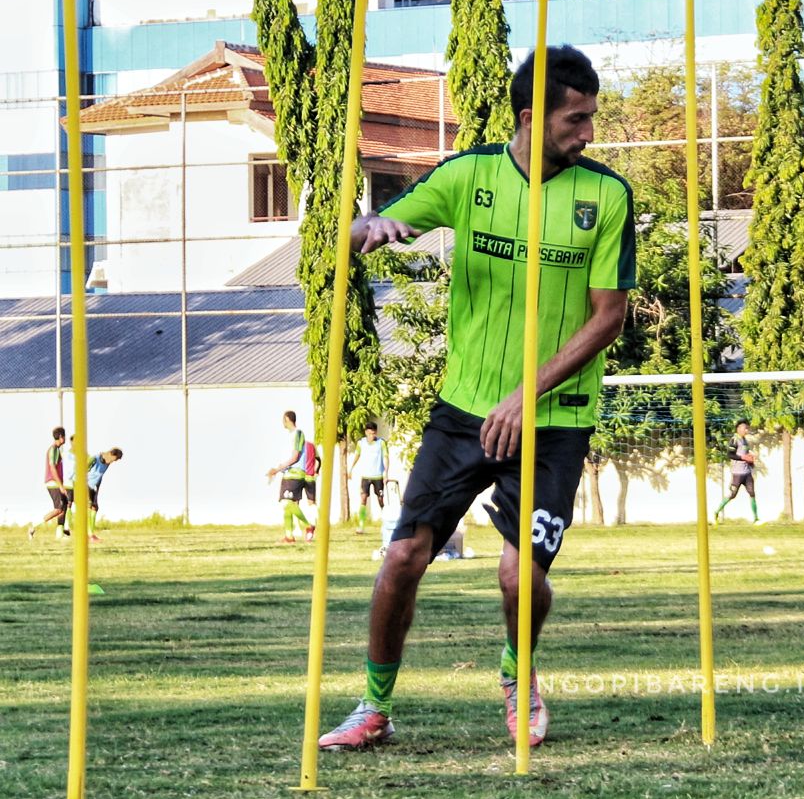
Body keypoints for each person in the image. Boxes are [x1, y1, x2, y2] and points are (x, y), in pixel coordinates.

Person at [320, 46, 634, 751]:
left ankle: (517, 675)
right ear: (531, 117)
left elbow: (607, 316)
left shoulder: (606, 195)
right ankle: (373, 708)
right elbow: (355, 232)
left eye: (591, 119)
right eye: (575, 120)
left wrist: (527, 393)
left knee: (518, 571)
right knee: (401, 558)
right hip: (463, 412)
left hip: (553, 418)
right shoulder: (469, 176)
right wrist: (365, 229)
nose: (588, 134)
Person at [267, 410, 314, 543]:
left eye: (283, 419)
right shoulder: (289, 436)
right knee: (287, 503)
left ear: (287, 419)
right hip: (288, 473)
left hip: (295, 473)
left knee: (287, 503)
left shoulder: (298, 434)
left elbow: (295, 457)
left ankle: (307, 525)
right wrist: (278, 469)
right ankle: (289, 536)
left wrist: (277, 469)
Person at [713, 420, 760, 525]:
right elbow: (730, 455)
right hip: (737, 473)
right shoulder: (734, 440)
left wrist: (751, 461)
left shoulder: (745, 440)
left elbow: (746, 455)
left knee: (752, 493)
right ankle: (716, 512)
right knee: (732, 495)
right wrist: (743, 457)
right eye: (745, 428)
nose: (746, 430)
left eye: (747, 428)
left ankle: (756, 519)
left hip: (747, 473)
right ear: (738, 429)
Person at [30, 427, 70, 540]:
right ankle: (33, 526)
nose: (65, 438)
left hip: (56, 483)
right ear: (61, 437)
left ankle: (60, 534)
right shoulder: (53, 450)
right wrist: (61, 486)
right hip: (53, 483)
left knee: (65, 505)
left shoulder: (57, 449)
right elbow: (52, 468)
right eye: (64, 436)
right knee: (58, 509)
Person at [350, 422, 388, 535]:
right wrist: (351, 468)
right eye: (370, 433)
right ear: (366, 432)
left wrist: (387, 472)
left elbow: (386, 457)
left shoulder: (381, 443)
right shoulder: (361, 443)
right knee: (363, 499)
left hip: (378, 476)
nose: (372, 436)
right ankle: (361, 525)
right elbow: (357, 455)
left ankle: (386, 523)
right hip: (365, 476)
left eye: (374, 433)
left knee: (381, 500)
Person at [79, 447, 122, 542]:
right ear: (111, 454)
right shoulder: (95, 458)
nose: (114, 462)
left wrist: (97, 491)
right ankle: (88, 534)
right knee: (89, 507)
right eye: (115, 459)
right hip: (85, 485)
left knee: (95, 507)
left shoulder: (108, 464)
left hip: (94, 486)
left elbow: (100, 476)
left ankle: (91, 533)